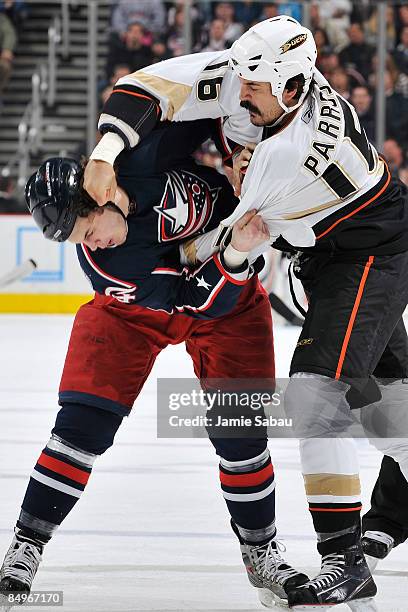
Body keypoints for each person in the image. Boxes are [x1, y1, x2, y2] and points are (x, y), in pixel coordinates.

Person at [82, 17, 408, 610]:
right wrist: (106, 154)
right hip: (337, 248)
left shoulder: (289, 155)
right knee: (394, 402)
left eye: (252, 87)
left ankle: (344, 559)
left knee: (316, 397)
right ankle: (393, 512)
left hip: (366, 255)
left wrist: (149, 261)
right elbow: (146, 85)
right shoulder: (261, 81)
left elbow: (224, 246)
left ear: (289, 87)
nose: (238, 91)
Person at [0, 120, 309, 610]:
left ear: (102, 196)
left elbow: (212, 107)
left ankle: (261, 552)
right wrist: (232, 252)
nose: (90, 244)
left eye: (88, 231)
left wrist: (238, 157)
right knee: (82, 428)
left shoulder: (140, 158)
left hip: (229, 303)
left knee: (241, 432)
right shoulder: (108, 266)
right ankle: (27, 544)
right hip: (142, 313)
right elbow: (188, 299)